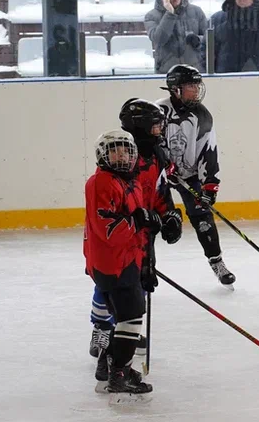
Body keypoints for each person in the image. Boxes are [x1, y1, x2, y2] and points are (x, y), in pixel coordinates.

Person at [88, 99, 183, 381]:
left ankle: (122, 334)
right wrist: (139, 221)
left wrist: (170, 216)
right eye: (155, 126)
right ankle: (103, 331)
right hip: (119, 239)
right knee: (111, 287)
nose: (160, 131)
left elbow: (158, 192)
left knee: (136, 283)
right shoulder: (121, 162)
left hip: (141, 234)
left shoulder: (155, 155)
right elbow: (112, 216)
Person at [84, 130, 160, 397]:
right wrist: (138, 221)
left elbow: (136, 220)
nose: (122, 156)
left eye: (127, 151)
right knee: (131, 316)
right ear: (103, 154)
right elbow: (108, 230)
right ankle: (119, 374)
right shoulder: (101, 183)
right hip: (112, 263)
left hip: (127, 259)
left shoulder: (130, 182)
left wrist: (146, 259)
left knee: (125, 317)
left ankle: (110, 370)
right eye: (115, 151)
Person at [157, 64, 235, 286]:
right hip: (159, 176)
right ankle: (141, 264)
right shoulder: (158, 111)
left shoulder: (202, 115)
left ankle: (217, 262)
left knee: (202, 217)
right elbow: (149, 143)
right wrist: (162, 164)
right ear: (176, 89)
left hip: (189, 175)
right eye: (191, 86)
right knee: (152, 219)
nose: (196, 90)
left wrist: (210, 185)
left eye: (196, 85)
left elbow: (209, 151)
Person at [145, 0, 209, 74]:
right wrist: (170, 14)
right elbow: (159, 39)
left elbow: (209, 38)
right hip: (166, 71)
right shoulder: (151, 16)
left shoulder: (196, 11)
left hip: (194, 69)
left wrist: (197, 39)